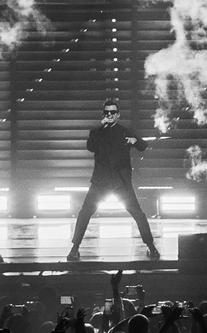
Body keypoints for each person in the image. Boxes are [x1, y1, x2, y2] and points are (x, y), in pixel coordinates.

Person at [68, 100, 160, 261]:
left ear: (118, 115)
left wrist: (135, 141)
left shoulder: (125, 131)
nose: (109, 115)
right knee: (85, 213)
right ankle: (74, 249)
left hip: (121, 182)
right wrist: (101, 127)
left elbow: (143, 146)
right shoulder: (96, 132)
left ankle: (151, 246)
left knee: (138, 214)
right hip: (101, 182)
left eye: (112, 112)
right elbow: (91, 147)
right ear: (103, 114)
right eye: (107, 112)